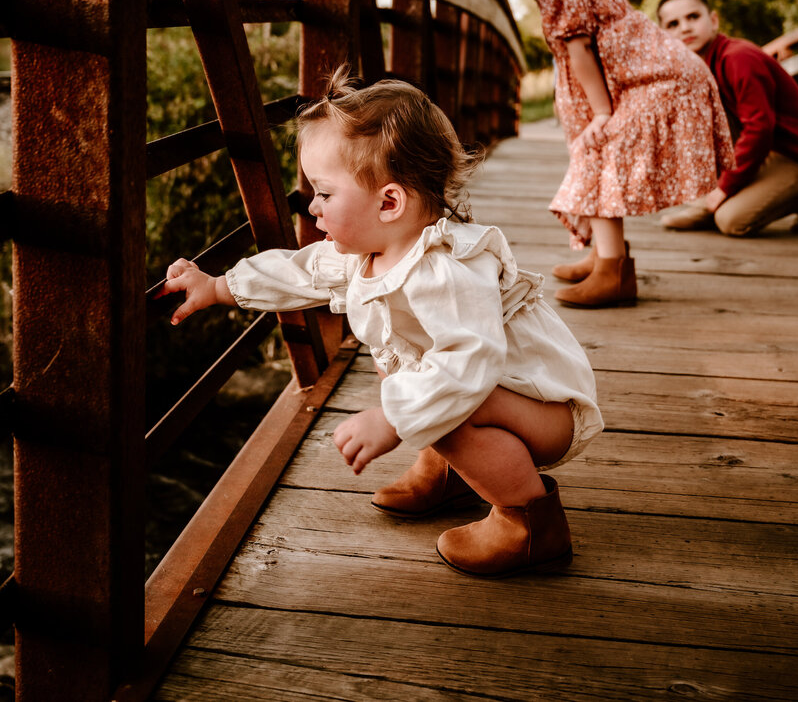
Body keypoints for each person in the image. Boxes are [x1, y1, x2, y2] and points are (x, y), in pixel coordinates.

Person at [160, 69, 603, 578]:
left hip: (547, 410)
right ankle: (454, 473)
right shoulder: (368, 252)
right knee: (403, 372)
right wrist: (218, 287)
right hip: (502, 395)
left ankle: (528, 523)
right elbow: (302, 270)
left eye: (325, 193)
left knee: (441, 392)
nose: (312, 205)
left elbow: (470, 361)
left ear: (389, 202)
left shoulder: (446, 270)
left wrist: (394, 421)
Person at [482, 0, 734, 308]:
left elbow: (579, 46)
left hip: (660, 79)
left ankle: (612, 272)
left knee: (602, 153)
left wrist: (602, 112)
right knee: (599, 156)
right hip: (653, 75)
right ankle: (604, 255)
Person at [657, 0, 798, 235]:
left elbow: (759, 128)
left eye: (693, 17)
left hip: (792, 152)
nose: (685, 28)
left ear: (713, 20)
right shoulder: (698, 68)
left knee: (731, 220)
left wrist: (725, 188)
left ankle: (722, 205)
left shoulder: (738, 58)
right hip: (771, 152)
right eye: (673, 24)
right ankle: (710, 205)